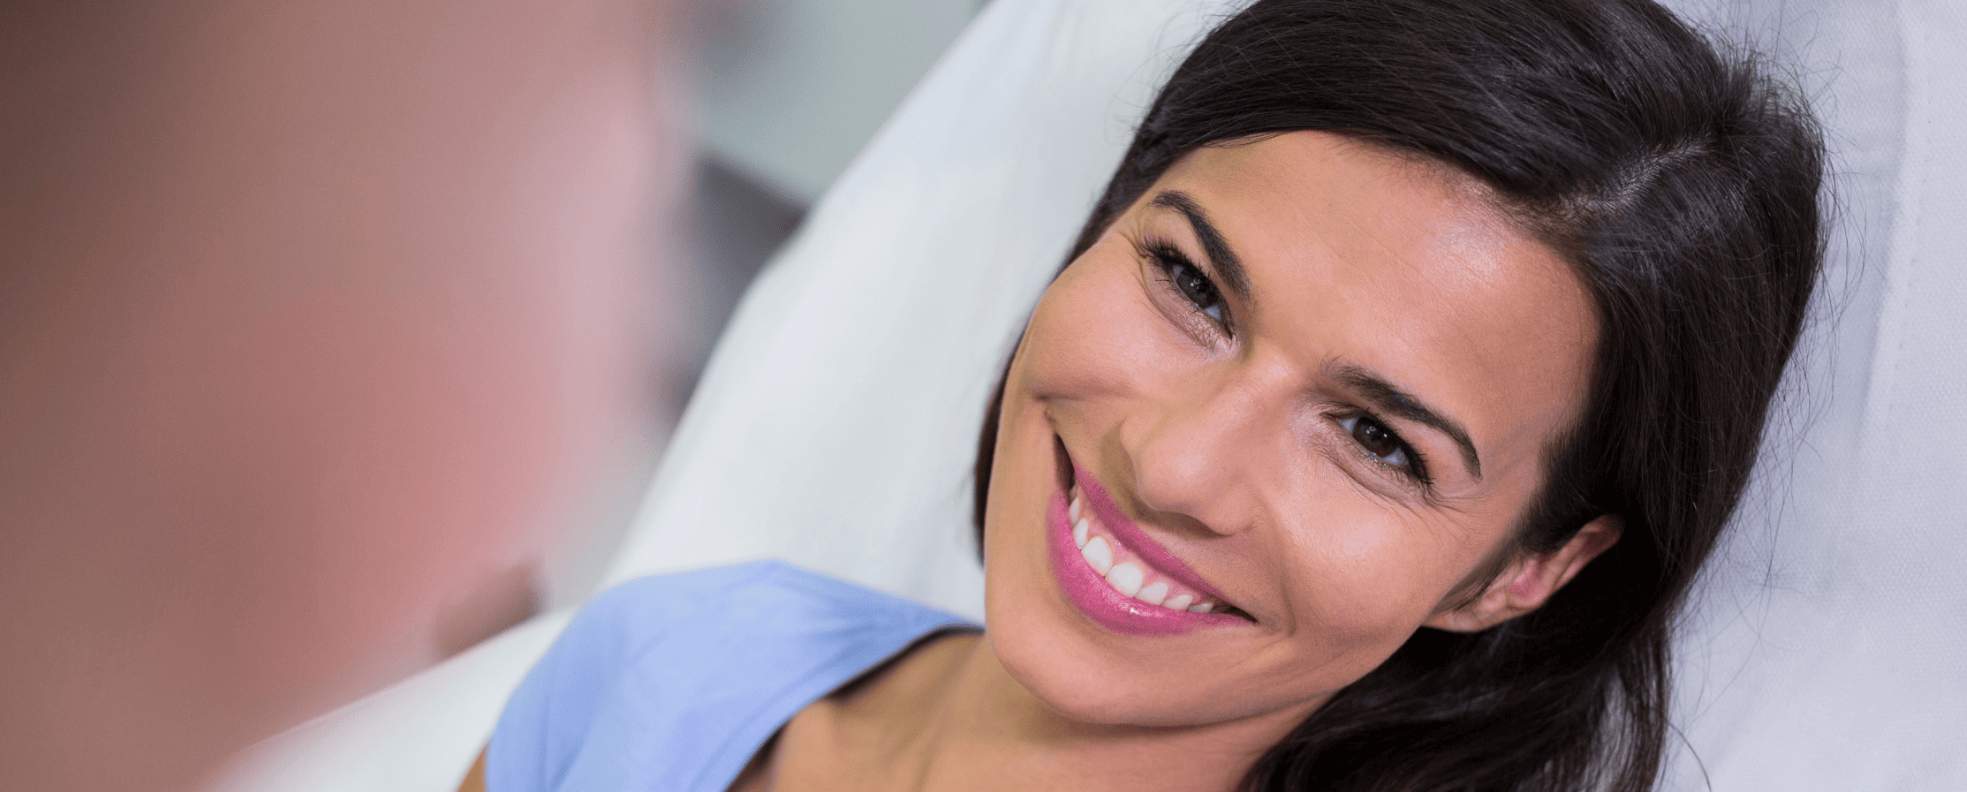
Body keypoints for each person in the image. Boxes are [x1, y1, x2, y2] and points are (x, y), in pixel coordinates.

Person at [475, 0, 1825, 789]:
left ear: (1526, 569)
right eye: (1193, 285)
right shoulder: (678, 657)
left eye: (1374, 439)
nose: (1178, 467)